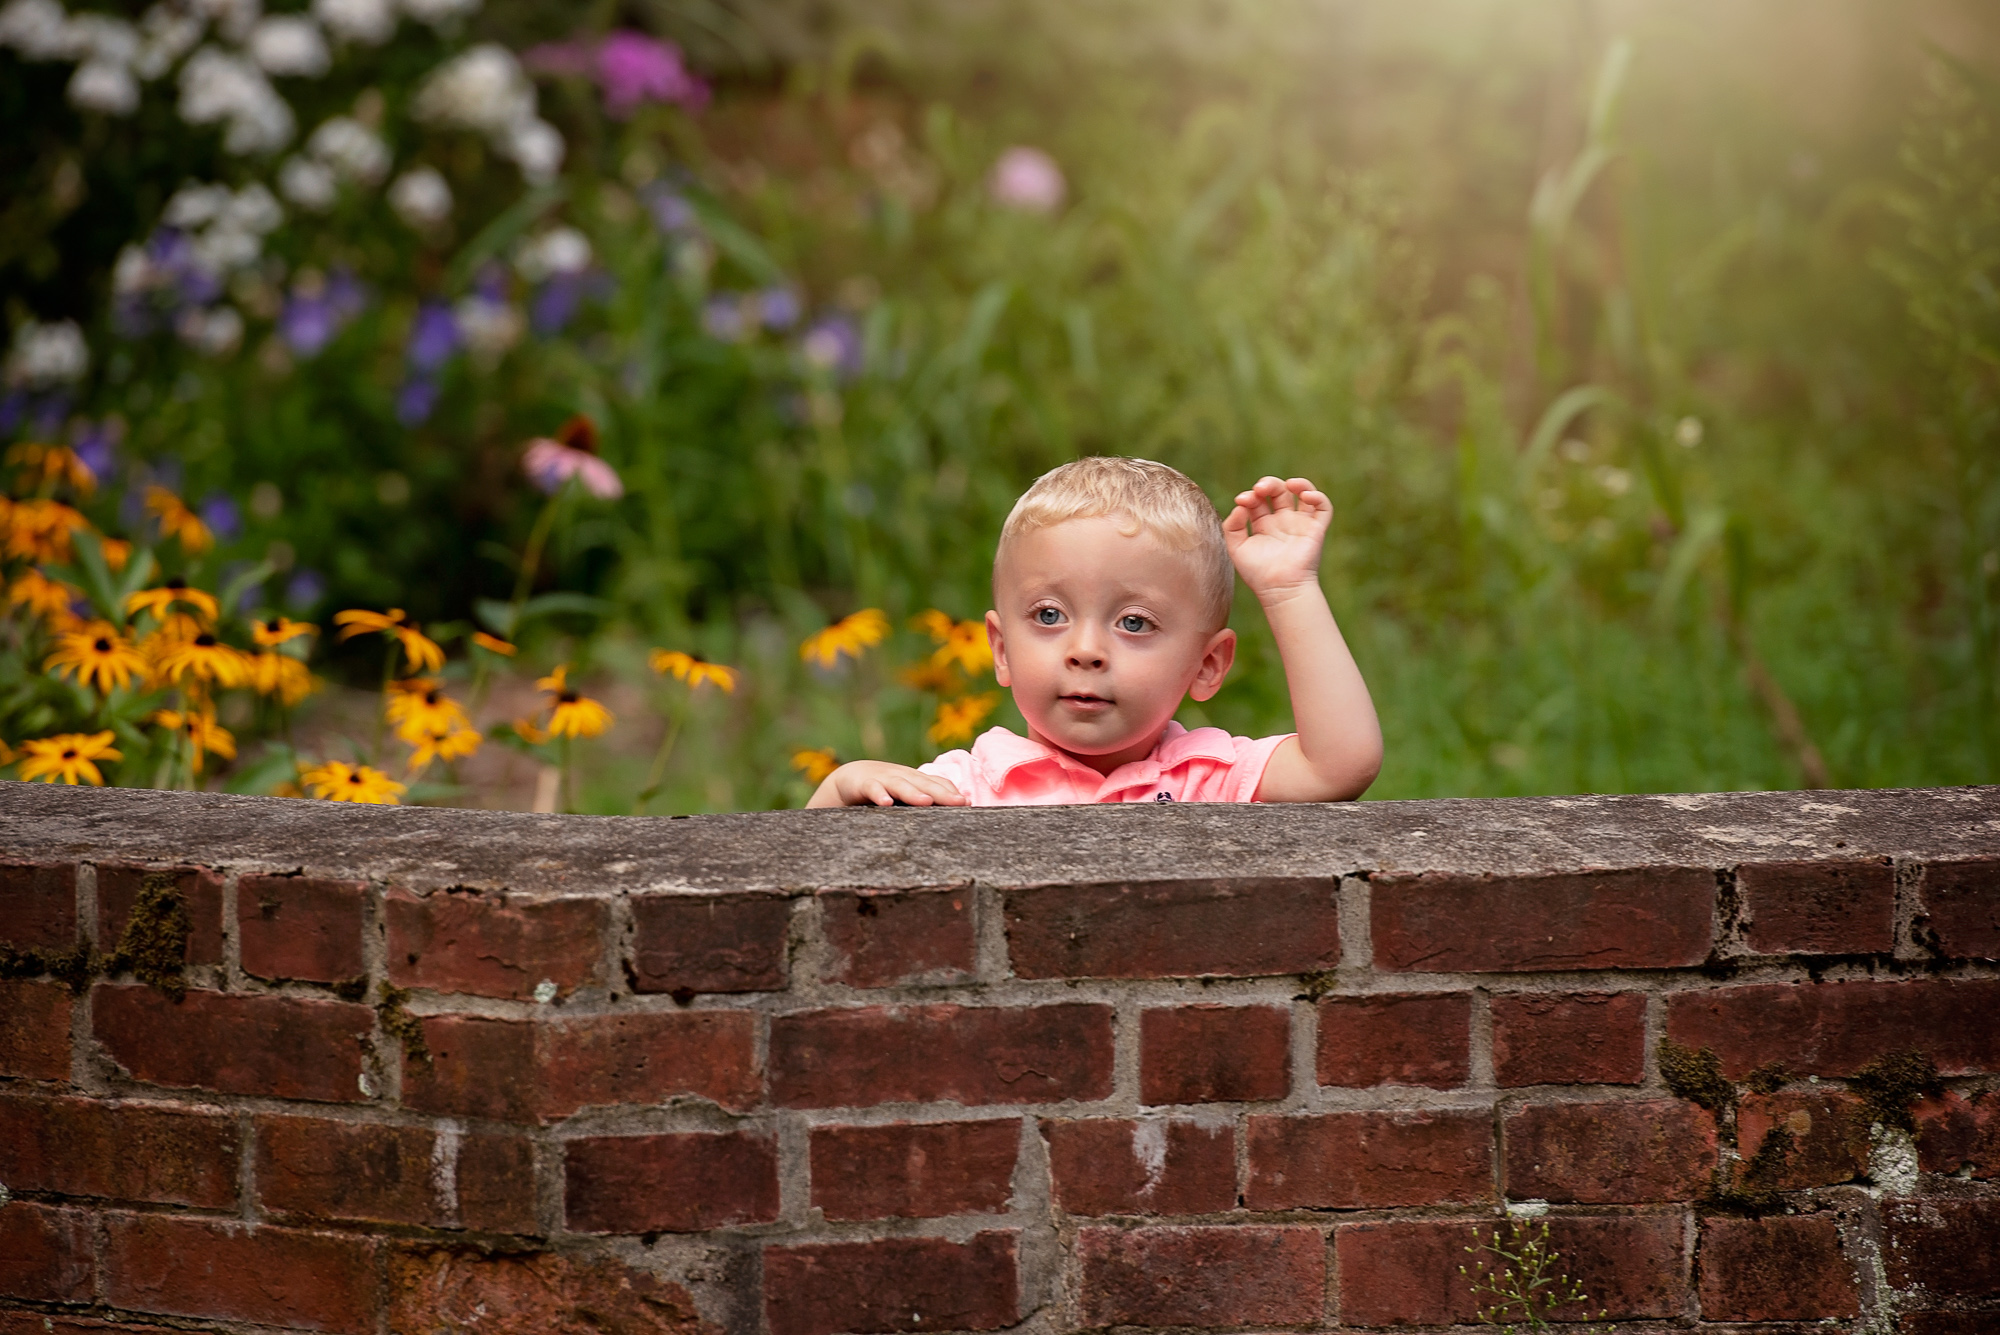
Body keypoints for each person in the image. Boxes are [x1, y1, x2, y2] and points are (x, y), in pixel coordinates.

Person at [806, 456, 1382, 806]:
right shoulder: (965, 790)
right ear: (1001, 650)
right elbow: (809, 878)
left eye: (1134, 623)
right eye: (1049, 616)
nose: (1085, 651)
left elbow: (1341, 765)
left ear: (1207, 666)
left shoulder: (1208, 779)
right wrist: (840, 790)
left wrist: (1288, 590)